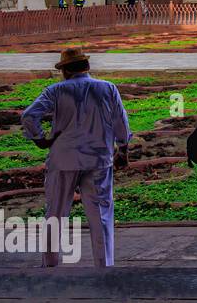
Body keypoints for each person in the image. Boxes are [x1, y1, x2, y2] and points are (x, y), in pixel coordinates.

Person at [20, 48, 130, 267]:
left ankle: (50, 262)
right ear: (86, 68)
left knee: (56, 213)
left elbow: (29, 115)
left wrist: (40, 139)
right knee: (101, 215)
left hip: (63, 159)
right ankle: (104, 265)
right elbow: (121, 121)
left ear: (66, 70)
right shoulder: (107, 88)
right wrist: (123, 150)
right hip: (98, 159)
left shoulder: (55, 91)